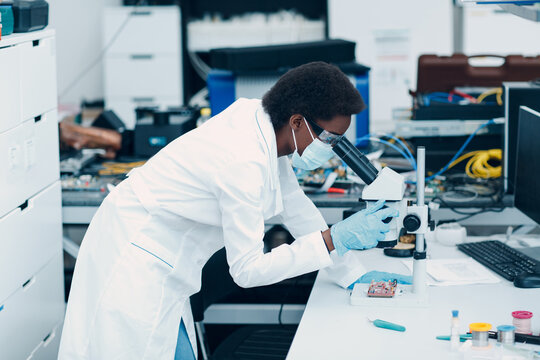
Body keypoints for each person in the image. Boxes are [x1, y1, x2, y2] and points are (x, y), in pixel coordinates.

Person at [58, 61, 399, 359]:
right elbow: (248, 270)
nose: (332, 148)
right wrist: (333, 239)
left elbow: (295, 206)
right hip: (133, 261)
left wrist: (350, 273)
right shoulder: (242, 161)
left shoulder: (265, 124)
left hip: (162, 256)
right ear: (297, 122)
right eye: (330, 139)